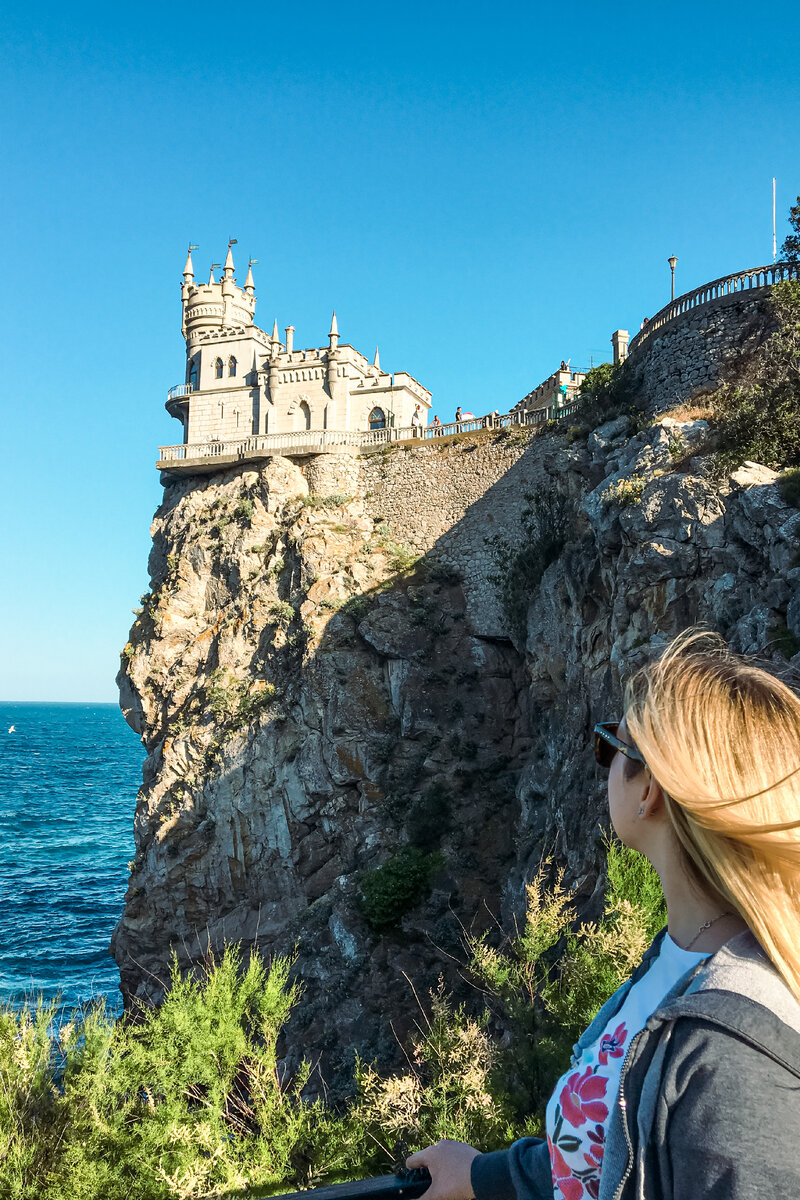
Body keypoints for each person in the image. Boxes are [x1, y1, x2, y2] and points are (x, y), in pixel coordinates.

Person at [407, 629, 800, 1199]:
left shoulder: (731, 1056)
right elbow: (609, 1152)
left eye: (609, 746)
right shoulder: (683, 952)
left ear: (651, 792)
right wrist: (479, 1175)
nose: (604, 765)